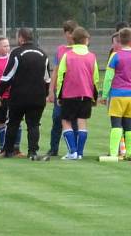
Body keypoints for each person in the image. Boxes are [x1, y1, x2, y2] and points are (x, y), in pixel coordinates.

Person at [0, 27, 51, 161]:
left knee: (13, 123)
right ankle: (32, 152)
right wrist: (44, 94)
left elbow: (7, 76)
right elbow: (47, 79)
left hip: (19, 96)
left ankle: (8, 151)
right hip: (37, 97)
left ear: (21, 38)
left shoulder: (16, 53)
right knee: (34, 124)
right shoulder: (43, 54)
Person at [101, 27, 131, 160]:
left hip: (117, 95)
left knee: (116, 124)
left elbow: (109, 77)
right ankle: (130, 153)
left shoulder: (115, 56)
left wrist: (104, 95)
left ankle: (114, 153)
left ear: (120, 40)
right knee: (130, 124)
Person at [55, 26, 99, 160]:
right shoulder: (92, 57)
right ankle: (79, 153)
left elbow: (61, 76)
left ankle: (72, 151)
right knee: (82, 122)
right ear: (86, 40)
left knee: (66, 122)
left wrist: (58, 94)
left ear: (73, 40)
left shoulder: (67, 56)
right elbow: (95, 78)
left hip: (69, 94)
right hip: (86, 94)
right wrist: (95, 96)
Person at [47, 20, 79, 157]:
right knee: (57, 119)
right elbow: (55, 70)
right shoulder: (61, 50)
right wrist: (50, 90)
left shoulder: (80, 50)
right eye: (71, 33)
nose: (73, 36)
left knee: (74, 120)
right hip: (61, 90)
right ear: (66, 34)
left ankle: (74, 148)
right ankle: (53, 148)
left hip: (75, 91)